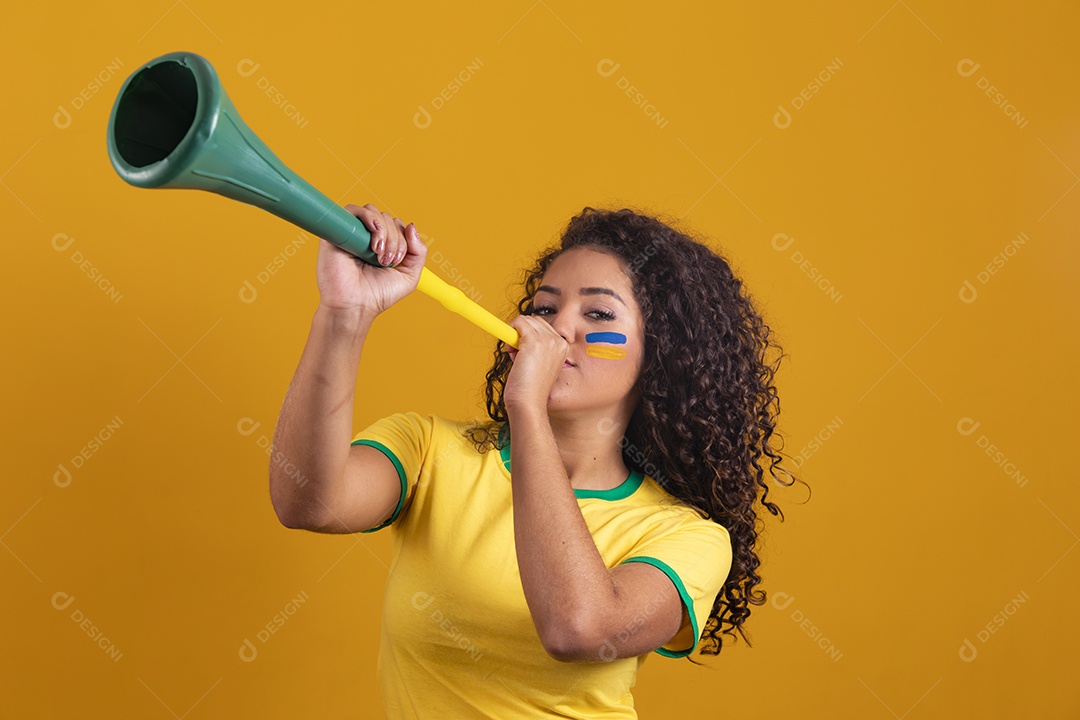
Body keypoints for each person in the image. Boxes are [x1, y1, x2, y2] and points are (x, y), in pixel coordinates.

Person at [269, 203, 800, 718]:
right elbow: (308, 503)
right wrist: (345, 314)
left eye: (598, 313)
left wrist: (526, 406)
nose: (557, 328)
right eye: (545, 308)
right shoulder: (430, 450)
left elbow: (579, 629)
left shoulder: (688, 537)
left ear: (660, 355)